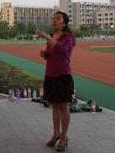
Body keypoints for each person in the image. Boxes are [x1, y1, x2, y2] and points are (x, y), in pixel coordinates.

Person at [37, 11, 75, 152]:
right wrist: (45, 55)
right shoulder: (52, 37)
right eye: (54, 18)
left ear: (64, 23)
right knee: (54, 106)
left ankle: (64, 137)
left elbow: (62, 49)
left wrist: (46, 36)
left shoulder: (68, 37)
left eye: (58, 18)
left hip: (62, 75)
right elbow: (53, 54)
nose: (54, 20)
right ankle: (56, 133)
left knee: (63, 107)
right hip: (50, 75)